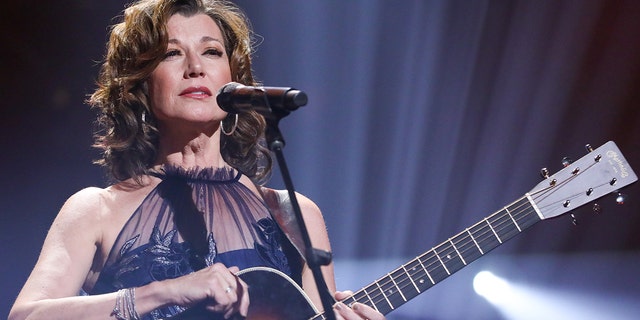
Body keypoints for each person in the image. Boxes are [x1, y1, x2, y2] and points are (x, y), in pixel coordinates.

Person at [8, 0, 386, 319]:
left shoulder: (296, 214)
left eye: (212, 51)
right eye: (172, 53)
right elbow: (26, 315)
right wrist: (166, 292)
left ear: (234, 77)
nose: (196, 67)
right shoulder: (96, 210)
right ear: (140, 83)